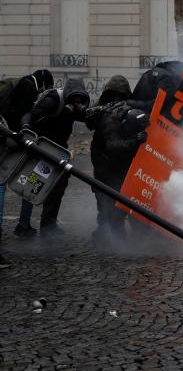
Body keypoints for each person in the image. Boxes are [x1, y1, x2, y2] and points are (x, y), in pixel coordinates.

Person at [17, 77, 90, 236]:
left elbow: (87, 119)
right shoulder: (53, 100)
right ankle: (23, 225)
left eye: (80, 100)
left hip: (58, 149)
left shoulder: (76, 104)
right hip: (42, 147)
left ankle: (48, 225)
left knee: (59, 185)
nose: (77, 102)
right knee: (33, 185)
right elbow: (33, 116)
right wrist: (63, 113)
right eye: (75, 100)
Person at [84, 75, 147, 250]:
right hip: (111, 169)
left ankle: (104, 238)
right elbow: (114, 147)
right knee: (113, 211)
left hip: (105, 169)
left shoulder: (105, 111)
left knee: (106, 208)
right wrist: (136, 141)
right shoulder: (113, 116)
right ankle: (117, 245)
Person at [0, 69, 55, 240]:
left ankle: (20, 225)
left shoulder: (17, 82)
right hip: (10, 142)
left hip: (7, 138)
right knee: (25, 181)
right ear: (43, 83)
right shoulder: (28, 87)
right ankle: (22, 225)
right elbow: (21, 115)